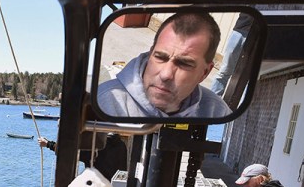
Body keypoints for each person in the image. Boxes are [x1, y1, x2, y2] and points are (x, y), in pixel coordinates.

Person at [97, 12, 231, 118]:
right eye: (160, 57)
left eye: (184, 63)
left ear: (205, 73)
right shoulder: (106, 102)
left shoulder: (217, 112)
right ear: (150, 54)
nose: (166, 74)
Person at [210, 13, 253, 96]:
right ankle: (213, 101)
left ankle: (240, 107)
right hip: (240, 30)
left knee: (248, 77)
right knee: (225, 71)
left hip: (258, 35)